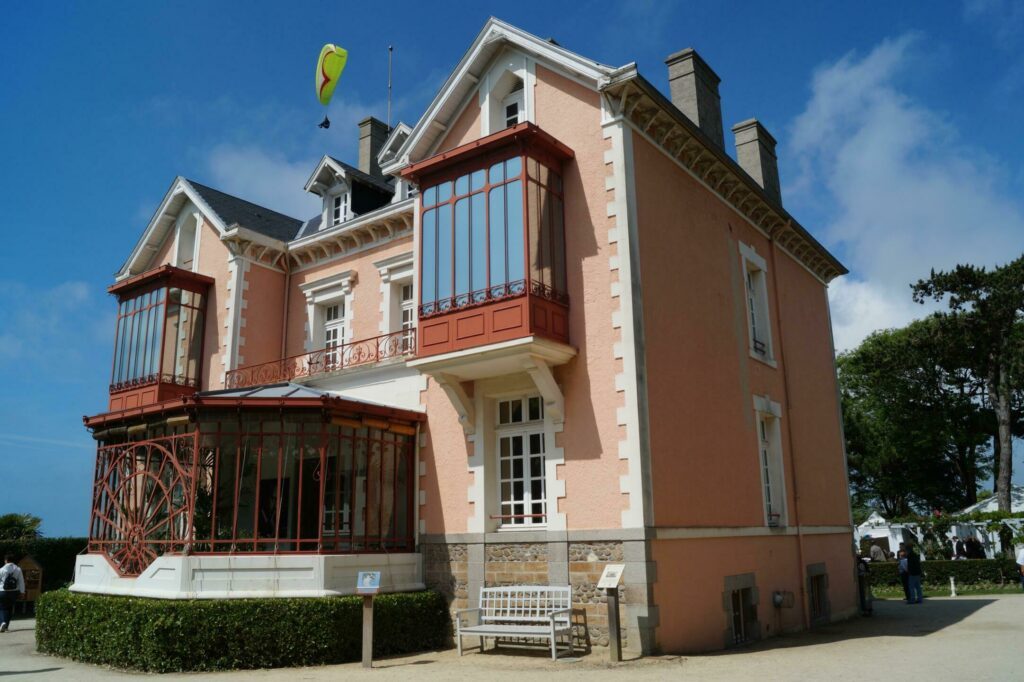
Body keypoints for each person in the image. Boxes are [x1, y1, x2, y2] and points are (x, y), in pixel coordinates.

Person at [0, 554, 25, 633]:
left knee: (2, 607)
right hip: (14, 592)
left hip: (2, 591)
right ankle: (6, 626)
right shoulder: (18, 569)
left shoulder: (1, 569)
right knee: (10, 608)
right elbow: (21, 581)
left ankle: (2, 622)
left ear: (6, 560)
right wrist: (22, 592)